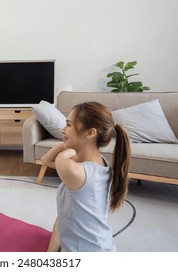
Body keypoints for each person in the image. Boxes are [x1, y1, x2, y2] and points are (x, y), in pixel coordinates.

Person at [41, 101, 131, 252]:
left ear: (90, 133)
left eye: (68, 125)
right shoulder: (102, 164)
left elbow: (54, 160)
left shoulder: (74, 171)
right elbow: (46, 160)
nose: (63, 130)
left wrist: (67, 148)